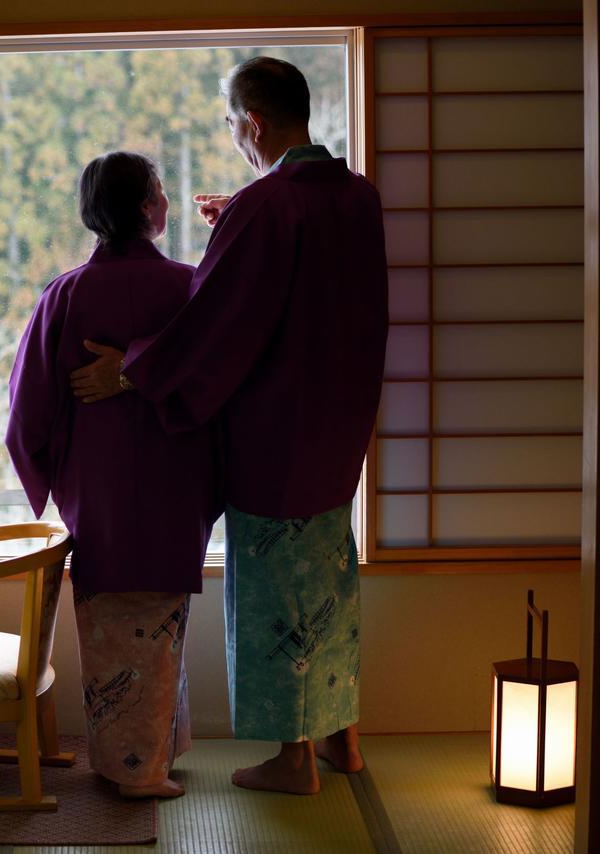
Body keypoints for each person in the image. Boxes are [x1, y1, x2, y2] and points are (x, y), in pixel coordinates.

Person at [69, 57, 388, 795]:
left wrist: (134, 369)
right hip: (339, 429)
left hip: (275, 437)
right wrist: (234, 225)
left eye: (230, 124)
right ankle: (345, 740)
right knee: (330, 582)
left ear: (253, 124)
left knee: (277, 597)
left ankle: (292, 759)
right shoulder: (357, 196)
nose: (233, 138)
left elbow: (219, 317)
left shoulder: (266, 208)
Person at [6, 151, 222, 800]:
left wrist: (47, 481)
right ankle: (147, 766)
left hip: (96, 492)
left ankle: (131, 759)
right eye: (158, 191)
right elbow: (220, 382)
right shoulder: (191, 289)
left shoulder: (65, 295)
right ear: (146, 209)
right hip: (176, 482)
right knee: (161, 625)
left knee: (111, 631)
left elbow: (27, 413)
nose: (164, 201)